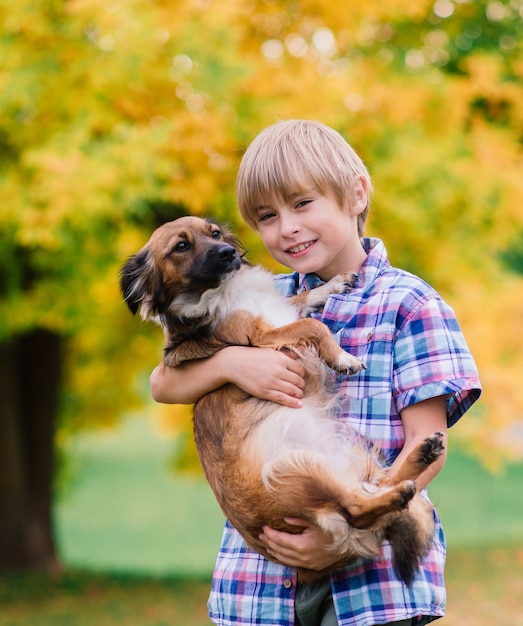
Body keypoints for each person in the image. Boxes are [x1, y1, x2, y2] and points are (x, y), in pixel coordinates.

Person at [150, 119, 482, 626]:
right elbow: (164, 382)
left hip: (371, 588)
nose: (287, 228)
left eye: (302, 204)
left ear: (355, 194)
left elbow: (427, 444)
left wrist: (345, 535)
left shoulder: (410, 303)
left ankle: (366, 510)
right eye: (267, 216)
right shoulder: (257, 298)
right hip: (259, 583)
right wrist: (232, 362)